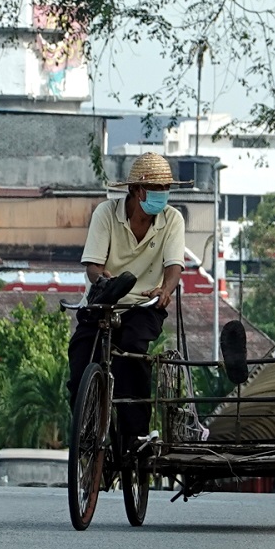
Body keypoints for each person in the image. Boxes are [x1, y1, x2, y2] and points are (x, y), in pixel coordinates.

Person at [66, 152, 187, 454]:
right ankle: (86, 428)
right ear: (136, 191)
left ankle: (135, 437)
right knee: (81, 355)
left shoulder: (172, 219)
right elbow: (92, 266)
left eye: (165, 190)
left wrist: (166, 289)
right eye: (156, 190)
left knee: (132, 353)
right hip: (104, 300)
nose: (162, 196)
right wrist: (103, 278)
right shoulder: (106, 213)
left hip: (145, 305)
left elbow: (174, 266)